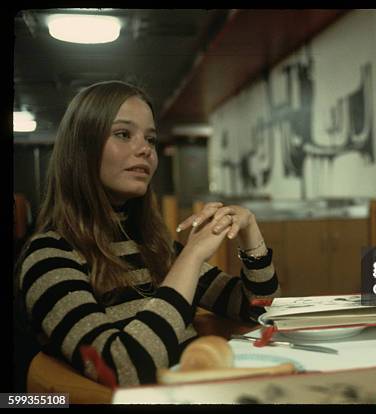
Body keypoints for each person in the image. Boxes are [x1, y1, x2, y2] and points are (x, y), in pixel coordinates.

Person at [14, 80, 280, 387]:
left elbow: (258, 309)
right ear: (82, 147)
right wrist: (192, 255)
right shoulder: (49, 256)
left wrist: (250, 235)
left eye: (150, 139)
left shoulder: (152, 246)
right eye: (123, 134)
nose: (145, 150)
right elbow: (123, 369)